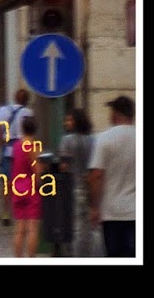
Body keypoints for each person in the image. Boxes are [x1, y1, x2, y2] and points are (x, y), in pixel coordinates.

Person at [88, 95, 136, 257]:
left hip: (112, 212)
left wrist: (94, 207)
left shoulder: (104, 139)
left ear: (115, 114)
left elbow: (96, 176)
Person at [58, 107, 96, 257]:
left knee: (76, 227)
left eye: (70, 119)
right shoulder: (93, 140)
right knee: (89, 227)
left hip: (74, 187)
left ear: (76, 122)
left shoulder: (67, 140)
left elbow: (64, 166)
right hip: (90, 186)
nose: (66, 122)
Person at [0, 87, 34, 224]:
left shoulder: (3, 110)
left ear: (15, 97)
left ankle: (6, 212)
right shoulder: (28, 112)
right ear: (27, 100)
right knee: (24, 180)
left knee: (7, 183)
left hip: (8, 149)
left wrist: (1, 142)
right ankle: (23, 210)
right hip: (23, 149)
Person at [9, 113, 43, 256]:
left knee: (19, 228)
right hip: (30, 189)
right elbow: (37, 172)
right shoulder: (34, 147)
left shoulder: (16, 146)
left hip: (17, 188)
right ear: (35, 129)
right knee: (32, 228)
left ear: (22, 129)